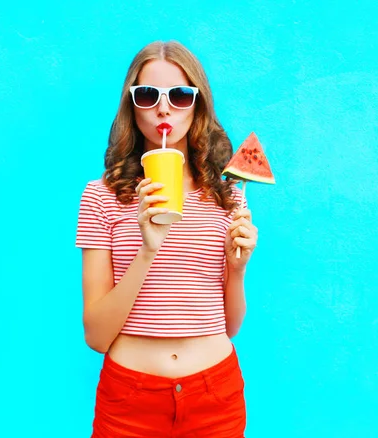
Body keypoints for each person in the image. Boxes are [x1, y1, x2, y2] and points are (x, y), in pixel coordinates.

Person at [75, 40, 258, 438]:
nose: (163, 108)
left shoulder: (228, 195)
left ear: (197, 104)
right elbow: (96, 335)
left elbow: (230, 326)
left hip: (216, 397)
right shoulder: (100, 196)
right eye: (147, 95)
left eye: (179, 95)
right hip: (129, 400)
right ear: (132, 104)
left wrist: (238, 271)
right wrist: (148, 248)